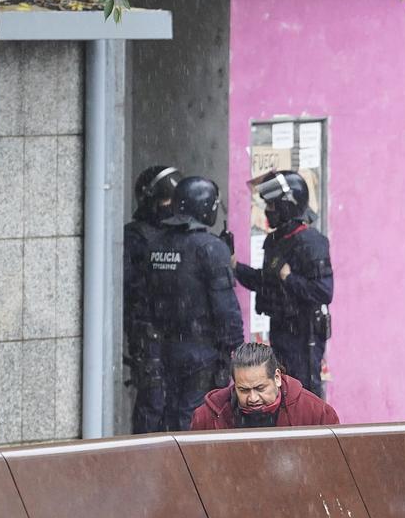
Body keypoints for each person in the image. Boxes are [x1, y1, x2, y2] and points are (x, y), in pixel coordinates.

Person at [146, 176, 244, 431]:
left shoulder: (156, 245)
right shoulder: (210, 248)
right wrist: (238, 350)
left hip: (164, 348)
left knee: (170, 416)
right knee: (198, 420)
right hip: (201, 352)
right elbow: (226, 309)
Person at [233, 170, 334, 398]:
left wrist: (289, 278)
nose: (268, 211)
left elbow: (323, 292)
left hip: (303, 335)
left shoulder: (312, 242)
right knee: (282, 394)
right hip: (280, 330)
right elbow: (265, 283)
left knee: (304, 397)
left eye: (272, 205)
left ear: (287, 206)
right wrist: (235, 267)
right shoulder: (276, 240)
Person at [125, 165, 182, 433]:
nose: (172, 207)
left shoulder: (181, 236)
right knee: (153, 403)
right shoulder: (136, 237)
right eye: (166, 200)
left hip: (178, 335)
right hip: (149, 334)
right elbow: (130, 289)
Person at [190, 342, 339, 430]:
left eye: (260, 388)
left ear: (277, 378)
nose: (253, 398)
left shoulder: (316, 414)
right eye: (244, 390)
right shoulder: (206, 418)